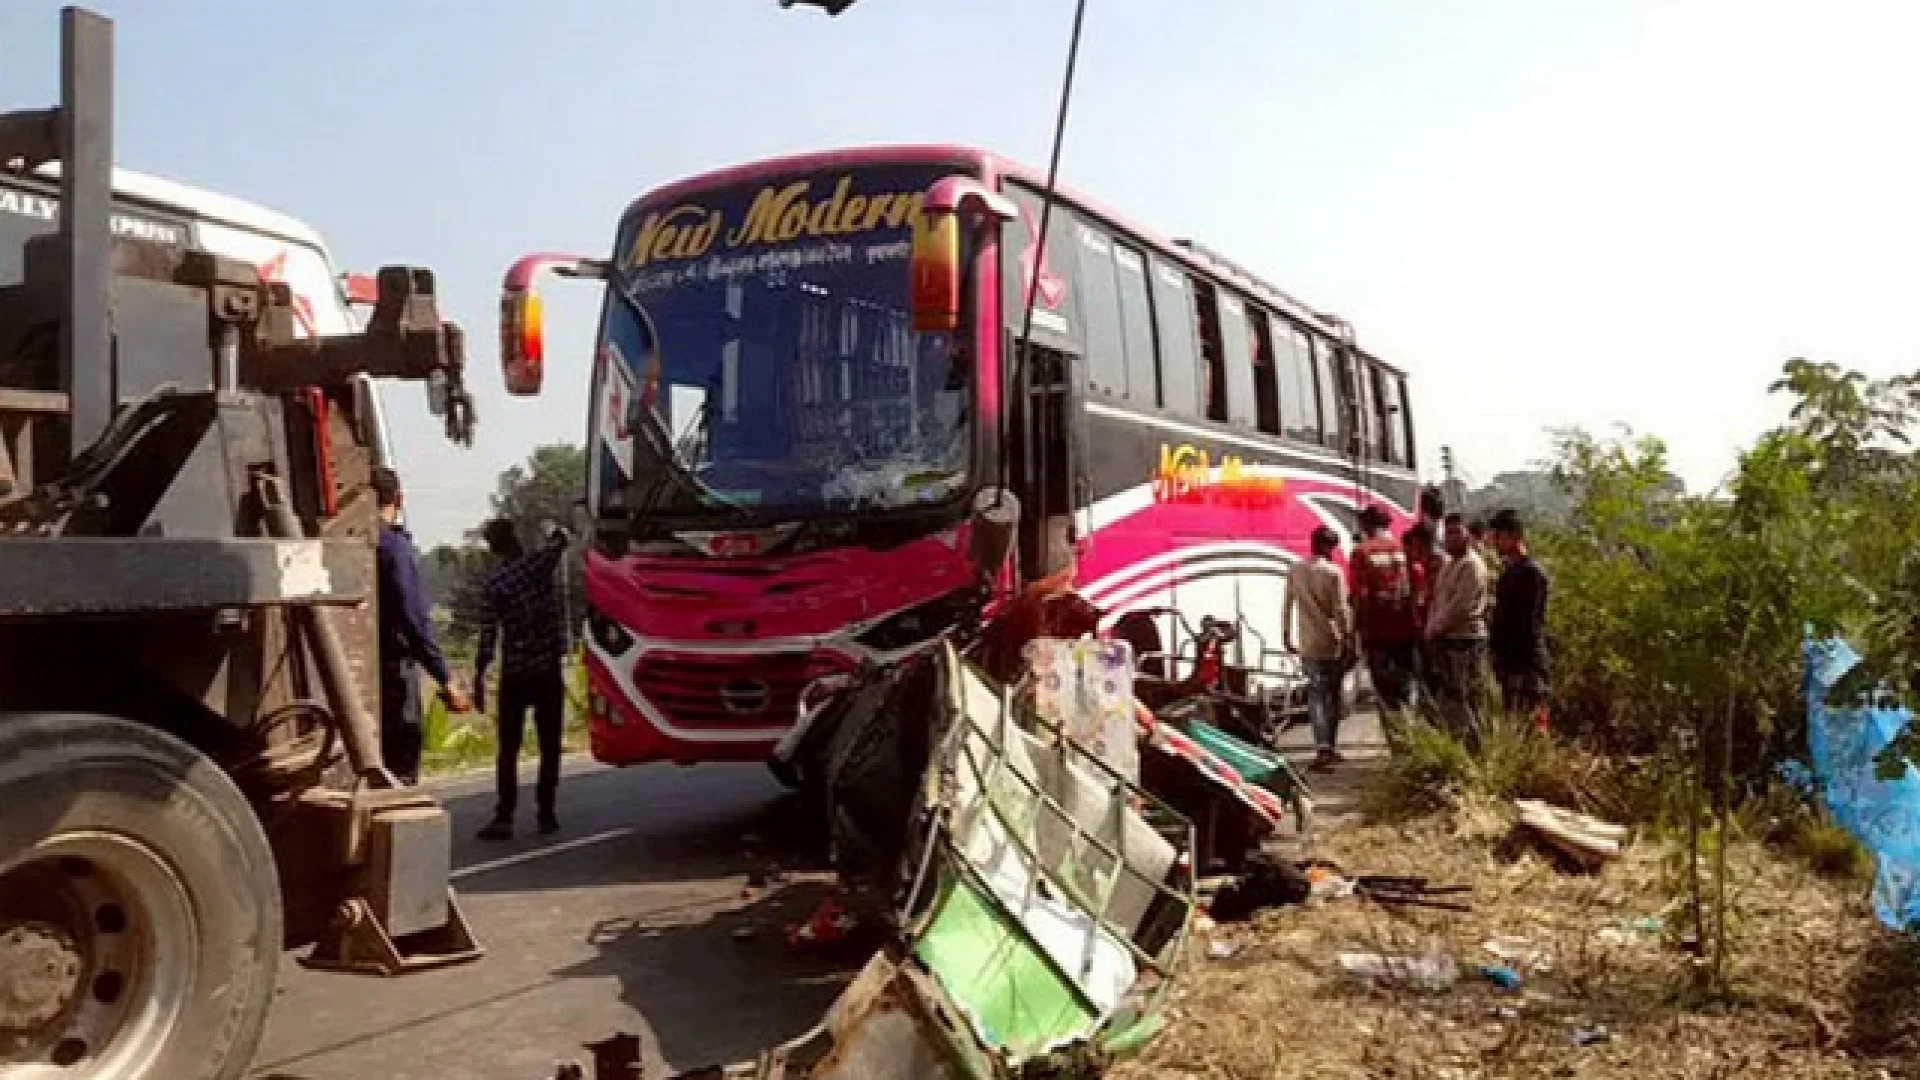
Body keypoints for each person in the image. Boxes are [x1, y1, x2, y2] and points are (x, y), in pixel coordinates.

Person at [475, 518, 574, 840]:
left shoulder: (494, 584)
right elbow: (562, 540)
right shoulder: (537, 565)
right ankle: (546, 813)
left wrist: (479, 676)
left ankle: (504, 815)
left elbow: (488, 637)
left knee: (509, 748)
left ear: (493, 547)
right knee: (549, 746)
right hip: (546, 669)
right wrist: (548, 528)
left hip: (515, 672)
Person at [373, 468, 469, 783]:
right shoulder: (393, 548)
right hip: (391, 672)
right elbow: (413, 618)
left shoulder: (360, 545)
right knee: (399, 767)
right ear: (399, 500)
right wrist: (445, 677)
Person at [1283, 526, 1353, 772]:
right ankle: (1329, 746)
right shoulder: (1333, 573)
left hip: (1307, 641)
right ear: (1328, 547)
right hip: (1330, 642)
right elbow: (1341, 610)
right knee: (1332, 694)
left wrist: (1286, 635)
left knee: (1315, 694)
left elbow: (1287, 604)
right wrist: (1348, 637)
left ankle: (1322, 745)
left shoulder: (1295, 570)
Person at [1348, 504, 1420, 717]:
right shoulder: (1403, 549)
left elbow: (1359, 596)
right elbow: (1416, 587)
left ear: (1365, 525)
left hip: (1378, 633)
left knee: (1386, 696)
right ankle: (1411, 739)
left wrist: (1356, 632)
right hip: (1407, 631)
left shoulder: (1361, 553)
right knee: (1406, 690)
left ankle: (1397, 742)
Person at [1425, 513, 1490, 741]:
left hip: (1466, 640)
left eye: (1457, 533)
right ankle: (1460, 744)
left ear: (1467, 536)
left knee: (1468, 696)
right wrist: (1430, 625)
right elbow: (1437, 601)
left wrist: (1436, 628)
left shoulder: (1472, 565)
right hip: (1446, 640)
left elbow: (1462, 606)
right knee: (1451, 696)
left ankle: (1477, 747)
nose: (1452, 538)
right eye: (1448, 533)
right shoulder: (1448, 565)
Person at [1487, 508, 1551, 718]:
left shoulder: (1531, 574)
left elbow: (1528, 625)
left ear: (1514, 536)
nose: (1494, 541)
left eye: (1499, 536)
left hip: (1526, 663)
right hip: (1509, 663)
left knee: (1532, 723)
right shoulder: (1509, 572)